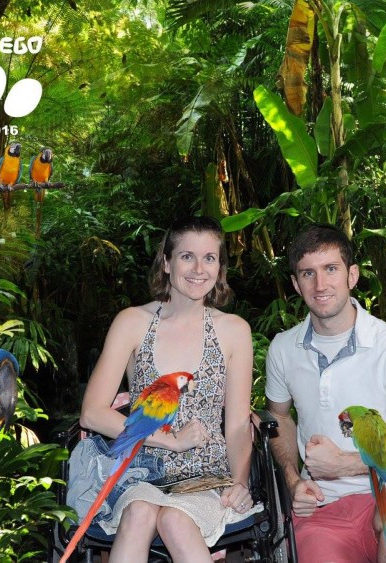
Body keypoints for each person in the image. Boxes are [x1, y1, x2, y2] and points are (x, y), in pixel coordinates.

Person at [265, 224, 386, 563]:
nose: (320, 285)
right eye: (308, 273)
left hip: (385, 502)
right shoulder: (283, 348)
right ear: (295, 283)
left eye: (330, 269)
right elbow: (278, 416)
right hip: (321, 508)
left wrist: (345, 464)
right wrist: (291, 481)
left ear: (352, 275)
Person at [80, 216, 254, 563]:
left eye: (210, 258)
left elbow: (236, 426)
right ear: (166, 262)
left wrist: (240, 482)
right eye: (187, 256)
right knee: (140, 511)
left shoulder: (234, 331)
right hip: (141, 470)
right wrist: (169, 440)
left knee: (175, 519)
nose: (199, 268)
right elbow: (92, 413)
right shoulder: (132, 323)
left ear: (219, 268)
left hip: (205, 476)